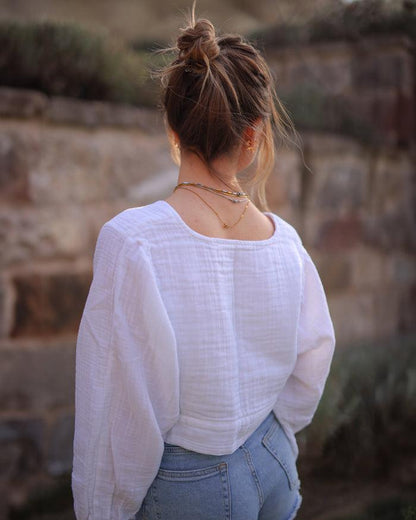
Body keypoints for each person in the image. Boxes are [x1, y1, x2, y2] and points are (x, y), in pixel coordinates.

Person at [71, 8, 336, 520]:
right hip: (274, 460)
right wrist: (275, 431)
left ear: (173, 123)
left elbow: (116, 405)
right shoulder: (286, 244)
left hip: (186, 487)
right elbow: (316, 354)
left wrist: (102, 510)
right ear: (253, 136)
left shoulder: (134, 241)